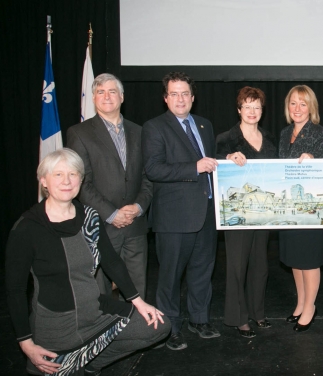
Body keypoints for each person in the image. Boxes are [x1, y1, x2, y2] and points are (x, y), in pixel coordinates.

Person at [6, 149, 169, 376]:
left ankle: (92, 361)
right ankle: (80, 360)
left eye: (73, 174)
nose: (66, 181)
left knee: (158, 326)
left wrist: (138, 301)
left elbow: (112, 262)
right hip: (56, 327)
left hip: (94, 313)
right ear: (44, 181)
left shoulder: (90, 216)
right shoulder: (27, 228)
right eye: (58, 175)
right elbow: (15, 290)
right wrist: (26, 343)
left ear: (81, 180)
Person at [142, 72, 219, 351]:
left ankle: (199, 319)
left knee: (202, 270)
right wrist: (193, 167)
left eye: (185, 93)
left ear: (193, 97)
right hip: (174, 217)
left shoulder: (204, 125)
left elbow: (211, 165)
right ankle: (170, 328)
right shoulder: (154, 127)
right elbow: (153, 169)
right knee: (170, 276)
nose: (180, 99)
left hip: (207, 213)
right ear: (165, 98)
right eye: (174, 93)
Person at [67, 73, 152, 299]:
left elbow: (147, 177)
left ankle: (138, 333)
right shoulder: (79, 133)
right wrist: (112, 214)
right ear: (93, 98)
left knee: (137, 288)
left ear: (122, 97)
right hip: (101, 225)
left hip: (135, 224)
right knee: (100, 291)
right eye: (101, 92)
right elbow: (81, 183)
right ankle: (104, 333)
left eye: (112, 91)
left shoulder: (139, 131)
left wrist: (139, 207)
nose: (107, 96)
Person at [216, 87, 277, 338]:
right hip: (238, 214)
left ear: (262, 111)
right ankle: (239, 317)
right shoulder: (225, 139)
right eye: (247, 107)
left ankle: (258, 312)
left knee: (260, 265)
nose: (252, 112)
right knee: (237, 266)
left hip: (263, 213)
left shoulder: (270, 138)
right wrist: (228, 157)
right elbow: (215, 164)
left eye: (257, 107)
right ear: (239, 109)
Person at [278, 85, 323, 332]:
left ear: (311, 107)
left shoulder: (320, 133)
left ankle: (310, 307)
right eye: (293, 103)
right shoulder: (284, 133)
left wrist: (314, 161)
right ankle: (300, 303)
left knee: (309, 260)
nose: (297, 108)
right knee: (295, 260)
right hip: (289, 208)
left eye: (303, 103)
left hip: (309, 210)